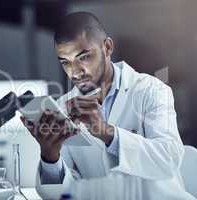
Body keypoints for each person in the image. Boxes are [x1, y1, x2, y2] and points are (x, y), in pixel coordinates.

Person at [20, 12, 195, 200]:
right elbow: (65, 195)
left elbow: (169, 159)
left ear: (107, 47)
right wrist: (50, 157)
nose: (75, 72)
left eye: (84, 57)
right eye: (66, 62)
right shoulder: (64, 108)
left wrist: (108, 133)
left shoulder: (151, 90)